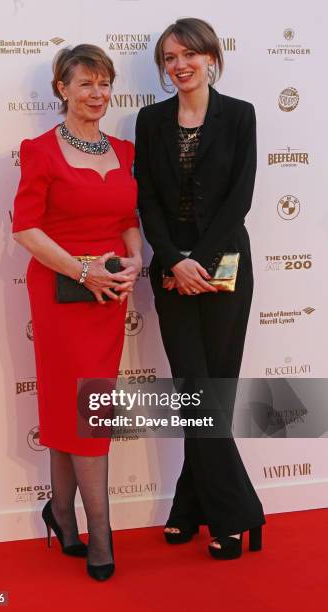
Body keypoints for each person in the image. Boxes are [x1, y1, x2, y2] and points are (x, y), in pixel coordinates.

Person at [134, 18, 265, 560]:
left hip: (226, 266)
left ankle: (190, 506)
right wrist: (173, 260)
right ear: (163, 68)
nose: (180, 64)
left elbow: (240, 198)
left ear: (211, 57)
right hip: (171, 269)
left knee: (213, 391)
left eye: (189, 53)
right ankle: (238, 513)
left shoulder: (239, 115)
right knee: (195, 389)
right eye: (169, 57)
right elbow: (147, 201)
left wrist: (200, 261)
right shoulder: (150, 119)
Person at [12, 44, 142, 580]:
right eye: (86, 83)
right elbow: (24, 228)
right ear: (62, 89)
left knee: (79, 406)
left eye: (105, 83)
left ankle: (62, 515)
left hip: (109, 297)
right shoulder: (39, 149)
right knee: (88, 409)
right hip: (63, 295)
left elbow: (129, 215)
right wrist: (80, 270)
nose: (98, 94)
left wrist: (135, 258)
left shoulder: (124, 150)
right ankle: (101, 533)